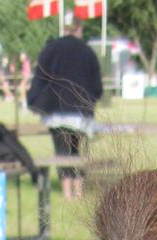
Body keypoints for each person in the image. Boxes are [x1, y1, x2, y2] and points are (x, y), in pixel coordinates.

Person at [27, 14, 103, 201]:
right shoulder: (88, 52)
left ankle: (67, 193)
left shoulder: (50, 50)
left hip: (55, 111)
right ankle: (79, 192)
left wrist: (33, 102)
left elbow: (39, 80)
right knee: (77, 151)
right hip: (80, 113)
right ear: (80, 28)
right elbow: (97, 88)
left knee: (61, 151)